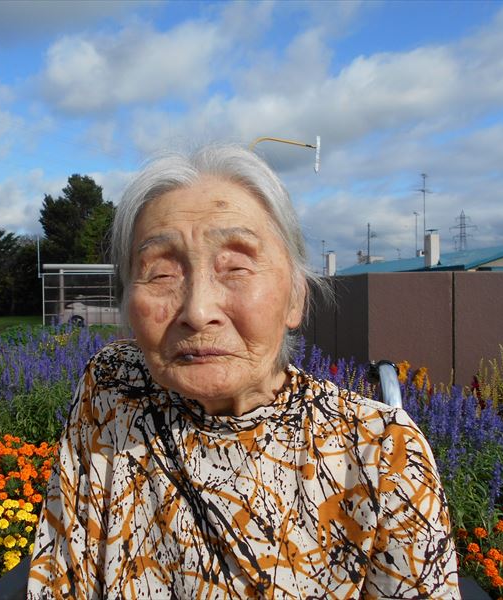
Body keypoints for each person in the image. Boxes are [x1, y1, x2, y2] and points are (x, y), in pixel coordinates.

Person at [27, 144, 460, 599]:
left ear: (295, 297)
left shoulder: (380, 454)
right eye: (160, 274)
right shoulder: (113, 387)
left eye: (235, 267)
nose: (197, 310)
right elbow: (61, 575)